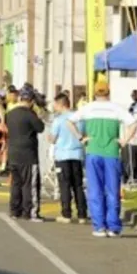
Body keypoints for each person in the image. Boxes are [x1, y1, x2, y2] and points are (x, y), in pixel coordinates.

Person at [66, 81, 137, 238]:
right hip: (112, 152)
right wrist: (124, 140)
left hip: (93, 151)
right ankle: (113, 227)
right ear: (108, 92)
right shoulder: (116, 108)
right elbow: (133, 124)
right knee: (112, 190)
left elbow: (70, 122)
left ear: (95, 93)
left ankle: (99, 226)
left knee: (95, 190)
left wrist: (81, 138)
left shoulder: (88, 108)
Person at [5, 87, 45, 221]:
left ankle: (15, 210)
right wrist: (38, 115)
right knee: (30, 184)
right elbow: (40, 128)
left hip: (13, 153)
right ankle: (30, 212)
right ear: (31, 101)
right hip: (28, 154)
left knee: (16, 183)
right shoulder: (30, 114)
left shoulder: (10, 114)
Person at [49, 93, 87, 224]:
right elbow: (84, 134)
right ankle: (82, 214)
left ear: (61, 104)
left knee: (64, 185)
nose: (54, 107)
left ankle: (67, 214)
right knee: (78, 185)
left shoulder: (58, 120)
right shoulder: (79, 118)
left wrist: (49, 138)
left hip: (63, 155)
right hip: (77, 155)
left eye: (55, 104)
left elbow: (53, 139)